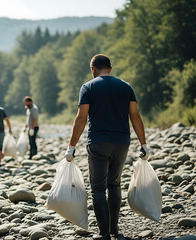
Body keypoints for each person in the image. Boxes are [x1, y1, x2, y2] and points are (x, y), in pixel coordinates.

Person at [64, 54, 149, 240]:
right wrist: (144, 144)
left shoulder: (88, 87)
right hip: (122, 143)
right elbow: (135, 116)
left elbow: (81, 118)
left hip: (98, 143)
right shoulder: (126, 87)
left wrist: (71, 147)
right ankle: (114, 230)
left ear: (93, 69)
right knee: (114, 184)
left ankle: (104, 234)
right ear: (110, 68)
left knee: (98, 188)